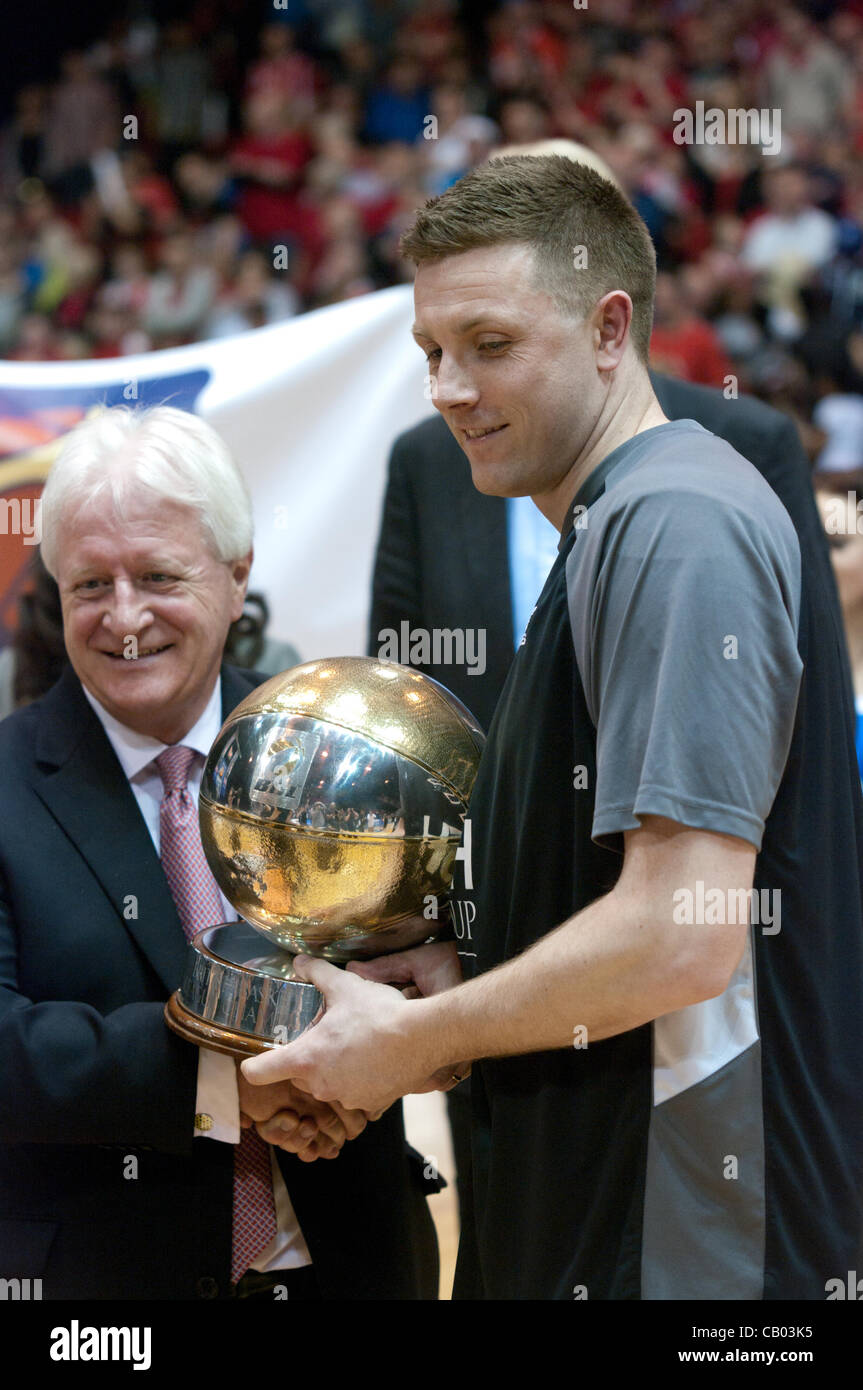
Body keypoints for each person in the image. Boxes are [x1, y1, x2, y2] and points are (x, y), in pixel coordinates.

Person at [243, 155, 863, 1300]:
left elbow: (679, 933)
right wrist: (456, 971)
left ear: (606, 328)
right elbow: (599, 891)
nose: (446, 387)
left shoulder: (675, 526)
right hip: (616, 1205)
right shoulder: (621, 518)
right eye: (430, 352)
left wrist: (413, 1045)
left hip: (690, 1234)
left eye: (488, 344)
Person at [0, 405, 438, 1300]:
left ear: (238, 579)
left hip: (356, 1266)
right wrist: (222, 1075)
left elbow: (431, 951)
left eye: (159, 575)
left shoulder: (343, 752)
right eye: (90, 585)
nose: (125, 619)